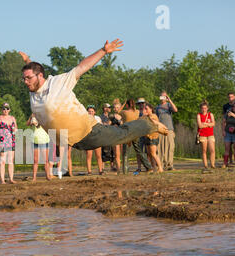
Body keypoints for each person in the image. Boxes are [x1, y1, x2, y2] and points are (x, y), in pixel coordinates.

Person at [18, 40, 168, 156]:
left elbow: (82, 67)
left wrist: (103, 51)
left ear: (40, 76)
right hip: (73, 142)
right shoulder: (34, 92)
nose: (25, 82)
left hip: (89, 132)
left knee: (121, 135)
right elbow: (33, 71)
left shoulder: (58, 83)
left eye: (28, 78)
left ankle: (150, 124)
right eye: (24, 79)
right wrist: (27, 61)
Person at [119, 99, 153, 175]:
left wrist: (123, 103)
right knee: (139, 151)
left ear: (127, 105)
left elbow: (118, 111)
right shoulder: (137, 112)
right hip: (135, 132)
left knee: (125, 152)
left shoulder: (124, 112)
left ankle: (125, 170)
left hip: (126, 133)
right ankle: (149, 167)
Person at [0, 102, 17, 184]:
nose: (5, 110)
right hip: (2, 142)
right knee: (3, 161)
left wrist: (15, 131)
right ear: (1, 110)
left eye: (7, 108)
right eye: (4, 108)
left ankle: (11, 178)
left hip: (11, 141)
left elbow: (16, 129)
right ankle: (2, 180)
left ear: (9, 110)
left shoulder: (13, 118)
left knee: (11, 161)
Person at [156, 91, 178, 171]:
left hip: (169, 129)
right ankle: (161, 165)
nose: (162, 98)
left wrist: (170, 100)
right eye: (161, 96)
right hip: (160, 130)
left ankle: (169, 165)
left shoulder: (169, 105)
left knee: (170, 147)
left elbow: (175, 110)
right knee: (160, 148)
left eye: (164, 96)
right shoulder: (157, 107)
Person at [27, 113, 51, 181]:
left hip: (44, 139)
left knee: (46, 160)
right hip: (35, 140)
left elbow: (47, 124)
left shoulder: (45, 116)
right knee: (35, 160)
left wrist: (37, 123)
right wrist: (30, 118)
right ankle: (34, 177)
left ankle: (47, 176)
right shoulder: (33, 115)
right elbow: (27, 124)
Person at [141, 103, 164, 173]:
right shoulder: (145, 116)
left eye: (146, 109)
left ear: (151, 109)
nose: (145, 110)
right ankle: (154, 167)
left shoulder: (153, 116)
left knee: (153, 153)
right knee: (149, 154)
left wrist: (145, 116)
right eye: (144, 109)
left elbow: (152, 123)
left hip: (153, 137)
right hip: (147, 137)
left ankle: (160, 167)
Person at [196, 101, 216, 170]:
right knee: (204, 150)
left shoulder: (211, 114)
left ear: (207, 108)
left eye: (205, 108)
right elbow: (200, 125)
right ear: (201, 109)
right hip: (202, 134)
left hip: (210, 134)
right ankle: (206, 165)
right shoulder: (199, 115)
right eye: (202, 108)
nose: (204, 109)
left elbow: (213, 124)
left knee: (212, 150)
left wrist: (205, 124)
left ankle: (212, 165)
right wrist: (208, 124)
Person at [86, 106, 103, 175]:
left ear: (94, 112)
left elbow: (101, 127)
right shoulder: (85, 118)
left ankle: (100, 170)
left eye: (92, 111)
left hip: (97, 138)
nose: (90, 112)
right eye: (89, 111)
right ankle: (89, 171)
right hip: (89, 138)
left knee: (98, 155)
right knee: (89, 155)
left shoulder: (97, 118)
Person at [222, 102, 235, 167]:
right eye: (234, 107)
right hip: (228, 132)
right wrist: (223, 131)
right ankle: (225, 162)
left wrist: (233, 115)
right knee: (227, 148)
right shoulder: (228, 113)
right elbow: (223, 122)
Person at [109, 99, 123, 174]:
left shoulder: (123, 115)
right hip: (115, 136)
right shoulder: (112, 116)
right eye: (115, 107)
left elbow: (124, 125)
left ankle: (123, 168)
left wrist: (120, 120)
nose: (116, 109)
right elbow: (108, 125)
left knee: (122, 153)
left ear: (120, 107)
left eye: (117, 107)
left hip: (123, 136)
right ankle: (118, 170)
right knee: (117, 154)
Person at [222, 92, 235, 165]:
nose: (230, 98)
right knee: (228, 146)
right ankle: (230, 160)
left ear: (234, 97)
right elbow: (223, 118)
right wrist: (223, 130)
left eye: (231, 97)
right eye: (229, 97)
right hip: (228, 128)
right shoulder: (225, 106)